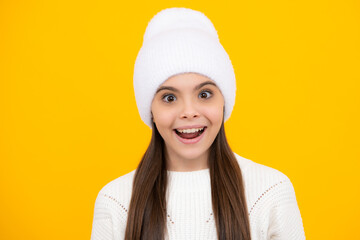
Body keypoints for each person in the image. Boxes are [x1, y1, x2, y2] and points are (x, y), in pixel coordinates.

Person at [90, 7, 305, 240]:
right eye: (169, 98)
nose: (189, 112)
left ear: (224, 101)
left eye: (204, 94)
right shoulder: (116, 202)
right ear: (150, 109)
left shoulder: (271, 192)